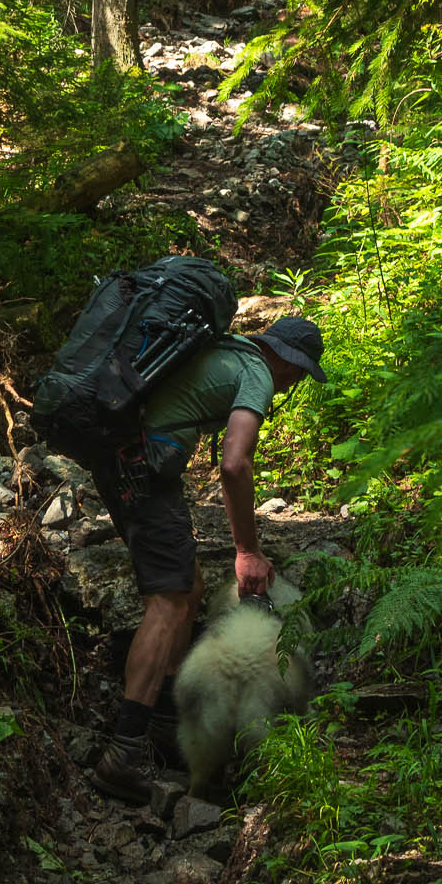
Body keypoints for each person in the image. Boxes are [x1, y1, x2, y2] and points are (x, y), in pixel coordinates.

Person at [86, 315, 326, 804]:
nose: (291, 384)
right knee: (170, 601)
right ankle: (123, 754)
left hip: (127, 461)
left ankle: (168, 722)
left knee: (188, 586)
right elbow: (235, 463)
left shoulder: (227, 353)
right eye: (297, 374)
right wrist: (247, 550)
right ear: (285, 358)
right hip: (140, 470)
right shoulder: (257, 373)